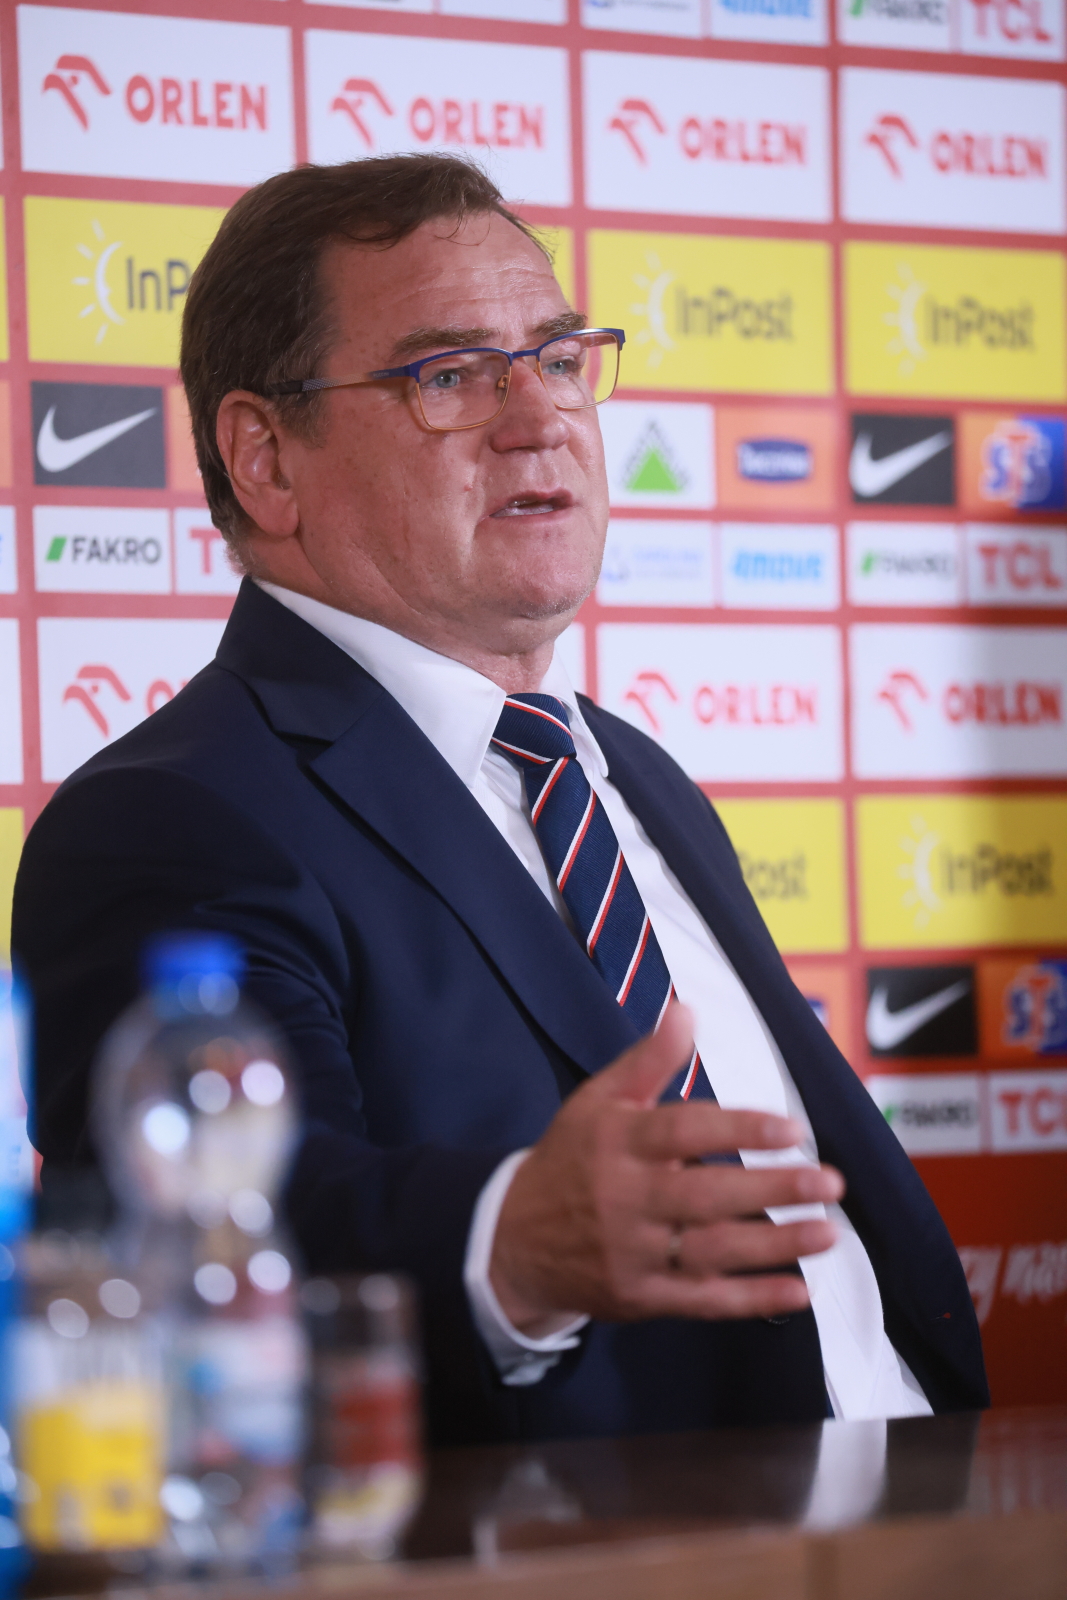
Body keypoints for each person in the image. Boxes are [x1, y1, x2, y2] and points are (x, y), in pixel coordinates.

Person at [13, 155, 987, 1445]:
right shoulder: (170, 821)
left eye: (560, 359)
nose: (541, 420)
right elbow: (225, 1238)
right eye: (450, 375)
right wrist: (508, 1247)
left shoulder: (633, 773)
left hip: (943, 1499)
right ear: (266, 459)